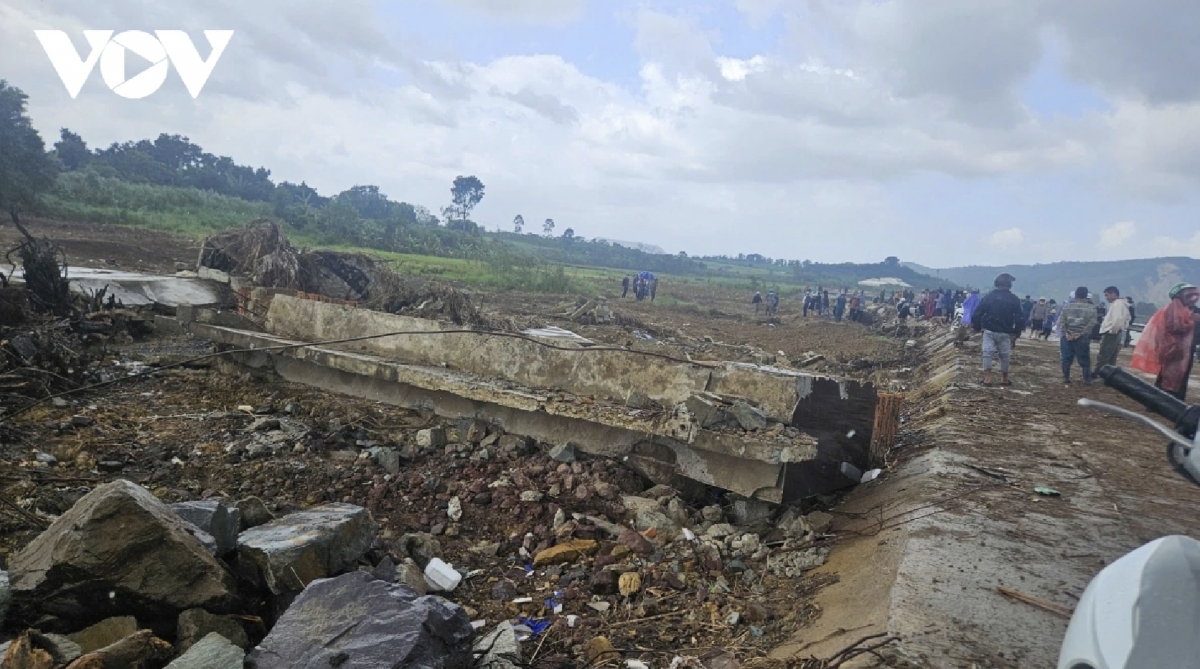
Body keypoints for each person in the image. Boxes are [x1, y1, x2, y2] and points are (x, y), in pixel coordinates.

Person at [1132, 283, 1199, 401]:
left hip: (1187, 351)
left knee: (1182, 376)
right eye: (1190, 295)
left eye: (1195, 296)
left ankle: (1176, 402)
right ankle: (1156, 401)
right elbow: (1170, 327)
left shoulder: (1197, 312)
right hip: (1171, 347)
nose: (1193, 298)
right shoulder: (1171, 310)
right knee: (1165, 375)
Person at [971, 273, 1025, 386]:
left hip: (989, 330)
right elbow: (1020, 317)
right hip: (1005, 332)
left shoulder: (989, 297)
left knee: (987, 353)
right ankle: (1004, 378)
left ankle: (987, 378)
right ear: (1009, 285)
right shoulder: (1014, 299)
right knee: (1004, 355)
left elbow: (977, 313)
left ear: (996, 284)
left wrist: (977, 327)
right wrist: (1017, 332)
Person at [1058, 287, 1098, 385]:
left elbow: (1062, 321)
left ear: (1075, 295)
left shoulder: (1067, 307)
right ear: (1086, 295)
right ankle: (1086, 379)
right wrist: (1081, 333)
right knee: (1084, 358)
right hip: (1082, 337)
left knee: (1066, 357)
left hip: (1067, 336)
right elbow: (1092, 323)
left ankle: (1066, 377)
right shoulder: (1092, 308)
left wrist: (1066, 332)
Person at [1095, 286, 1132, 369]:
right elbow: (1127, 319)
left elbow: (1117, 320)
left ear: (1113, 294)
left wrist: (1112, 331)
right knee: (1112, 357)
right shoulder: (1123, 304)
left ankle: (1098, 373)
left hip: (1111, 334)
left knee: (1104, 355)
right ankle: (1108, 374)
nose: (1106, 298)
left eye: (1107, 295)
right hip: (1117, 333)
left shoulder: (1117, 304)